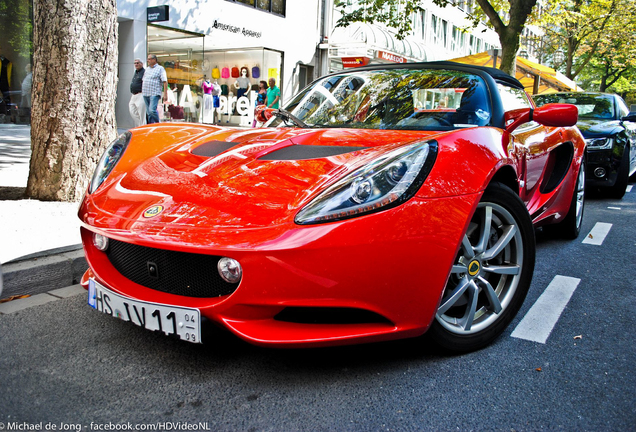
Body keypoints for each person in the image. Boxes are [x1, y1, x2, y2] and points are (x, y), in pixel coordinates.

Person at [142, 54, 168, 124]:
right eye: (148, 59)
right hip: (145, 93)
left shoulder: (160, 68)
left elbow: (165, 81)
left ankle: (158, 123)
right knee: (149, 113)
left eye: (149, 59)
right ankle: (151, 126)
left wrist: (165, 94)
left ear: (154, 60)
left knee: (152, 110)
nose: (148, 60)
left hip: (154, 93)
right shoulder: (147, 69)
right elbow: (144, 79)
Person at [128, 58, 146, 127]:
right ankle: (141, 126)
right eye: (135, 63)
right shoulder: (136, 72)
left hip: (141, 94)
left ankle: (143, 127)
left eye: (138, 63)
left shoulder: (144, 72)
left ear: (142, 64)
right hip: (134, 95)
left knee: (141, 113)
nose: (136, 64)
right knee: (132, 110)